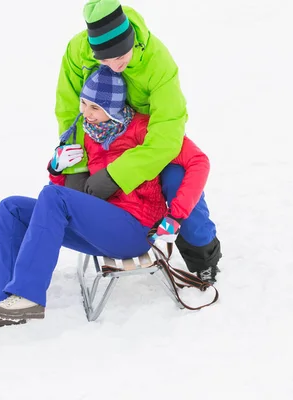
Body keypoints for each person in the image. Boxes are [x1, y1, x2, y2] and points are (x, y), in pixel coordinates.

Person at [0, 66, 212, 329]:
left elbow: (199, 162)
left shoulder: (143, 130)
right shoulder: (88, 133)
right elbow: (67, 199)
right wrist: (58, 169)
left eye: (94, 107)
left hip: (135, 229)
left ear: (114, 107)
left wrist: (177, 214)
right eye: (83, 102)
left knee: (54, 196)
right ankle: (1, 303)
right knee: (11, 207)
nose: (85, 113)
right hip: (99, 227)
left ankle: (28, 295)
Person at [55, 0, 221, 282]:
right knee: (103, 196)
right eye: (103, 60)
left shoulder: (158, 61)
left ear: (131, 38)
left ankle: (202, 255)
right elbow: (71, 110)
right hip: (107, 139)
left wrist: (118, 174)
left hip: (150, 140)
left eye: (119, 57)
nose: (113, 67)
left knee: (176, 181)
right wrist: (76, 167)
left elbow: (168, 130)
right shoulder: (77, 51)